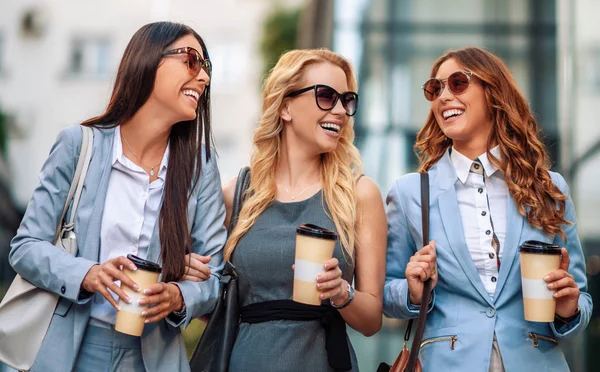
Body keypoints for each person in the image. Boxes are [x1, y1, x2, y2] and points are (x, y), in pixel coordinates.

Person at [9, 21, 227, 372]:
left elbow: (214, 277)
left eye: (207, 68)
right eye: (191, 60)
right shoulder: (79, 145)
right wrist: (89, 273)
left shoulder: (200, 166)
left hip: (152, 356)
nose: (203, 78)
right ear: (148, 60)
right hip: (71, 350)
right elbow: (25, 247)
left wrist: (178, 295)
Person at [383, 47, 592, 371]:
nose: (443, 97)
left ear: (492, 91)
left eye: (457, 83)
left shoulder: (549, 189)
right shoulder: (411, 193)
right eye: (435, 89)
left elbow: (582, 301)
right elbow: (385, 294)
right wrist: (411, 291)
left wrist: (569, 308)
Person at [219, 49, 387, 371]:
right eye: (326, 96)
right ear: (284, 106)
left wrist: (342, 293)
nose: (340, 110)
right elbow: (214, 309)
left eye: (346, 100)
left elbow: (371, 320)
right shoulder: (237, 194)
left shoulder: (360, 194)